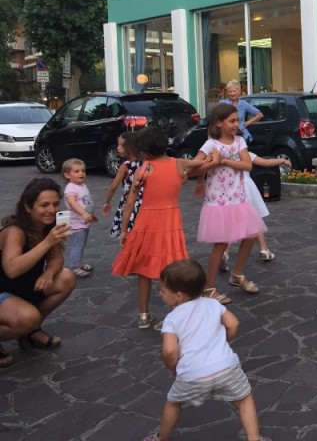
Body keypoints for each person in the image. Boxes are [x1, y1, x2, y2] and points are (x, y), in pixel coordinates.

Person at [144, 259, 270, 441]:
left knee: (173, 403)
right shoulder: (213, 304)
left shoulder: (172, 319)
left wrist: (172, 367)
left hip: (192, 373)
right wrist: (223, 341)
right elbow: (233, 324)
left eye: (162, 290)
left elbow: (170, 351)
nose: (160, 293)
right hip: (227, 367)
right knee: (244, 400)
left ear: (178, 295)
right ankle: (254, 439)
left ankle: (160, 438)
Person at [111, 126, 208, 329]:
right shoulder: (178, 163)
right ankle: (175, 315)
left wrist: (124, 230)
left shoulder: (144, 169)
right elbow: (202, 162)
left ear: (145, 151)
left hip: (146, 222)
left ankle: (143, 315)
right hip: (171, 221)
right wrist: (215, 158)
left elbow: (130, 203)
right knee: (173, 268)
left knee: (143, 268)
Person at [193, 103, 267, 305]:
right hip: (219, 202)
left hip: (238, 198)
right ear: (219, 123)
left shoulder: (240, 141)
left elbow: (247, 165)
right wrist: (210, 164)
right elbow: (194, 168)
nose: (236, 124)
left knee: (250, 235)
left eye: (237, 120)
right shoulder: (210, 145)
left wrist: (224, 161)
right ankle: (209, 288)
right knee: (221, 244)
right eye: (232, 121)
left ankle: (238, 274)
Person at [0, 178, 75, 367]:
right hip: (3, 289)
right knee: (28, 317)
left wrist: (49, 273)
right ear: (28, 207)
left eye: (55, 204)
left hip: (22, 288)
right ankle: (27, 326)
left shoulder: (47, 226)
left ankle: (30, 332)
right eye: (44, 205)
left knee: (66, 277)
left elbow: (56, 259)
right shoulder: (15, 231)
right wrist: (47, 242)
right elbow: (12, 269)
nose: (51, 210)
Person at [215, 152, 291, 266]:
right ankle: (263, 249)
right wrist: (282, 161)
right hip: (246, 187)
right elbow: (265, 162)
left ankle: (226, 252)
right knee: (254, 219)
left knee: (237, 221)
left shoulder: (223, 154)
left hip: (230, 188)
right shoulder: (245, 153)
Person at [101, 131, 143, 239]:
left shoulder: (125, 166)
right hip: (144, 203)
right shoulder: (145, 163)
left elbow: (113, 187)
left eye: (122, 145)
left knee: (128, 236)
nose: (118, 148)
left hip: (129, 203)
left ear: (131, 146)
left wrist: (107, 202)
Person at [62, 158, 97, 279]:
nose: (81, 173)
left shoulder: (82, 186)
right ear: (67, 175)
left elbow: (85, 202)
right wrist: (83, 213)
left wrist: (90, 215)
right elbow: (72, 202)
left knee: (81, 244)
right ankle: (74, 266)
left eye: (83, 170)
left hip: (84, 221)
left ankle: (78, 263)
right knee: (77, 245)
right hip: (76, 223)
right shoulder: (70, 188)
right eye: (76, 171)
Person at [220, 80, 263, 144]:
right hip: (227, 135)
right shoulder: (223, 103)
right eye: (230, 91)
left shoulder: (244, 104)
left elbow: (260, 115)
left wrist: (247, 123)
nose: (232, 93)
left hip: (241, 134)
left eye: (234, 91)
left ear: (239, 92)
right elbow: (218, 118)